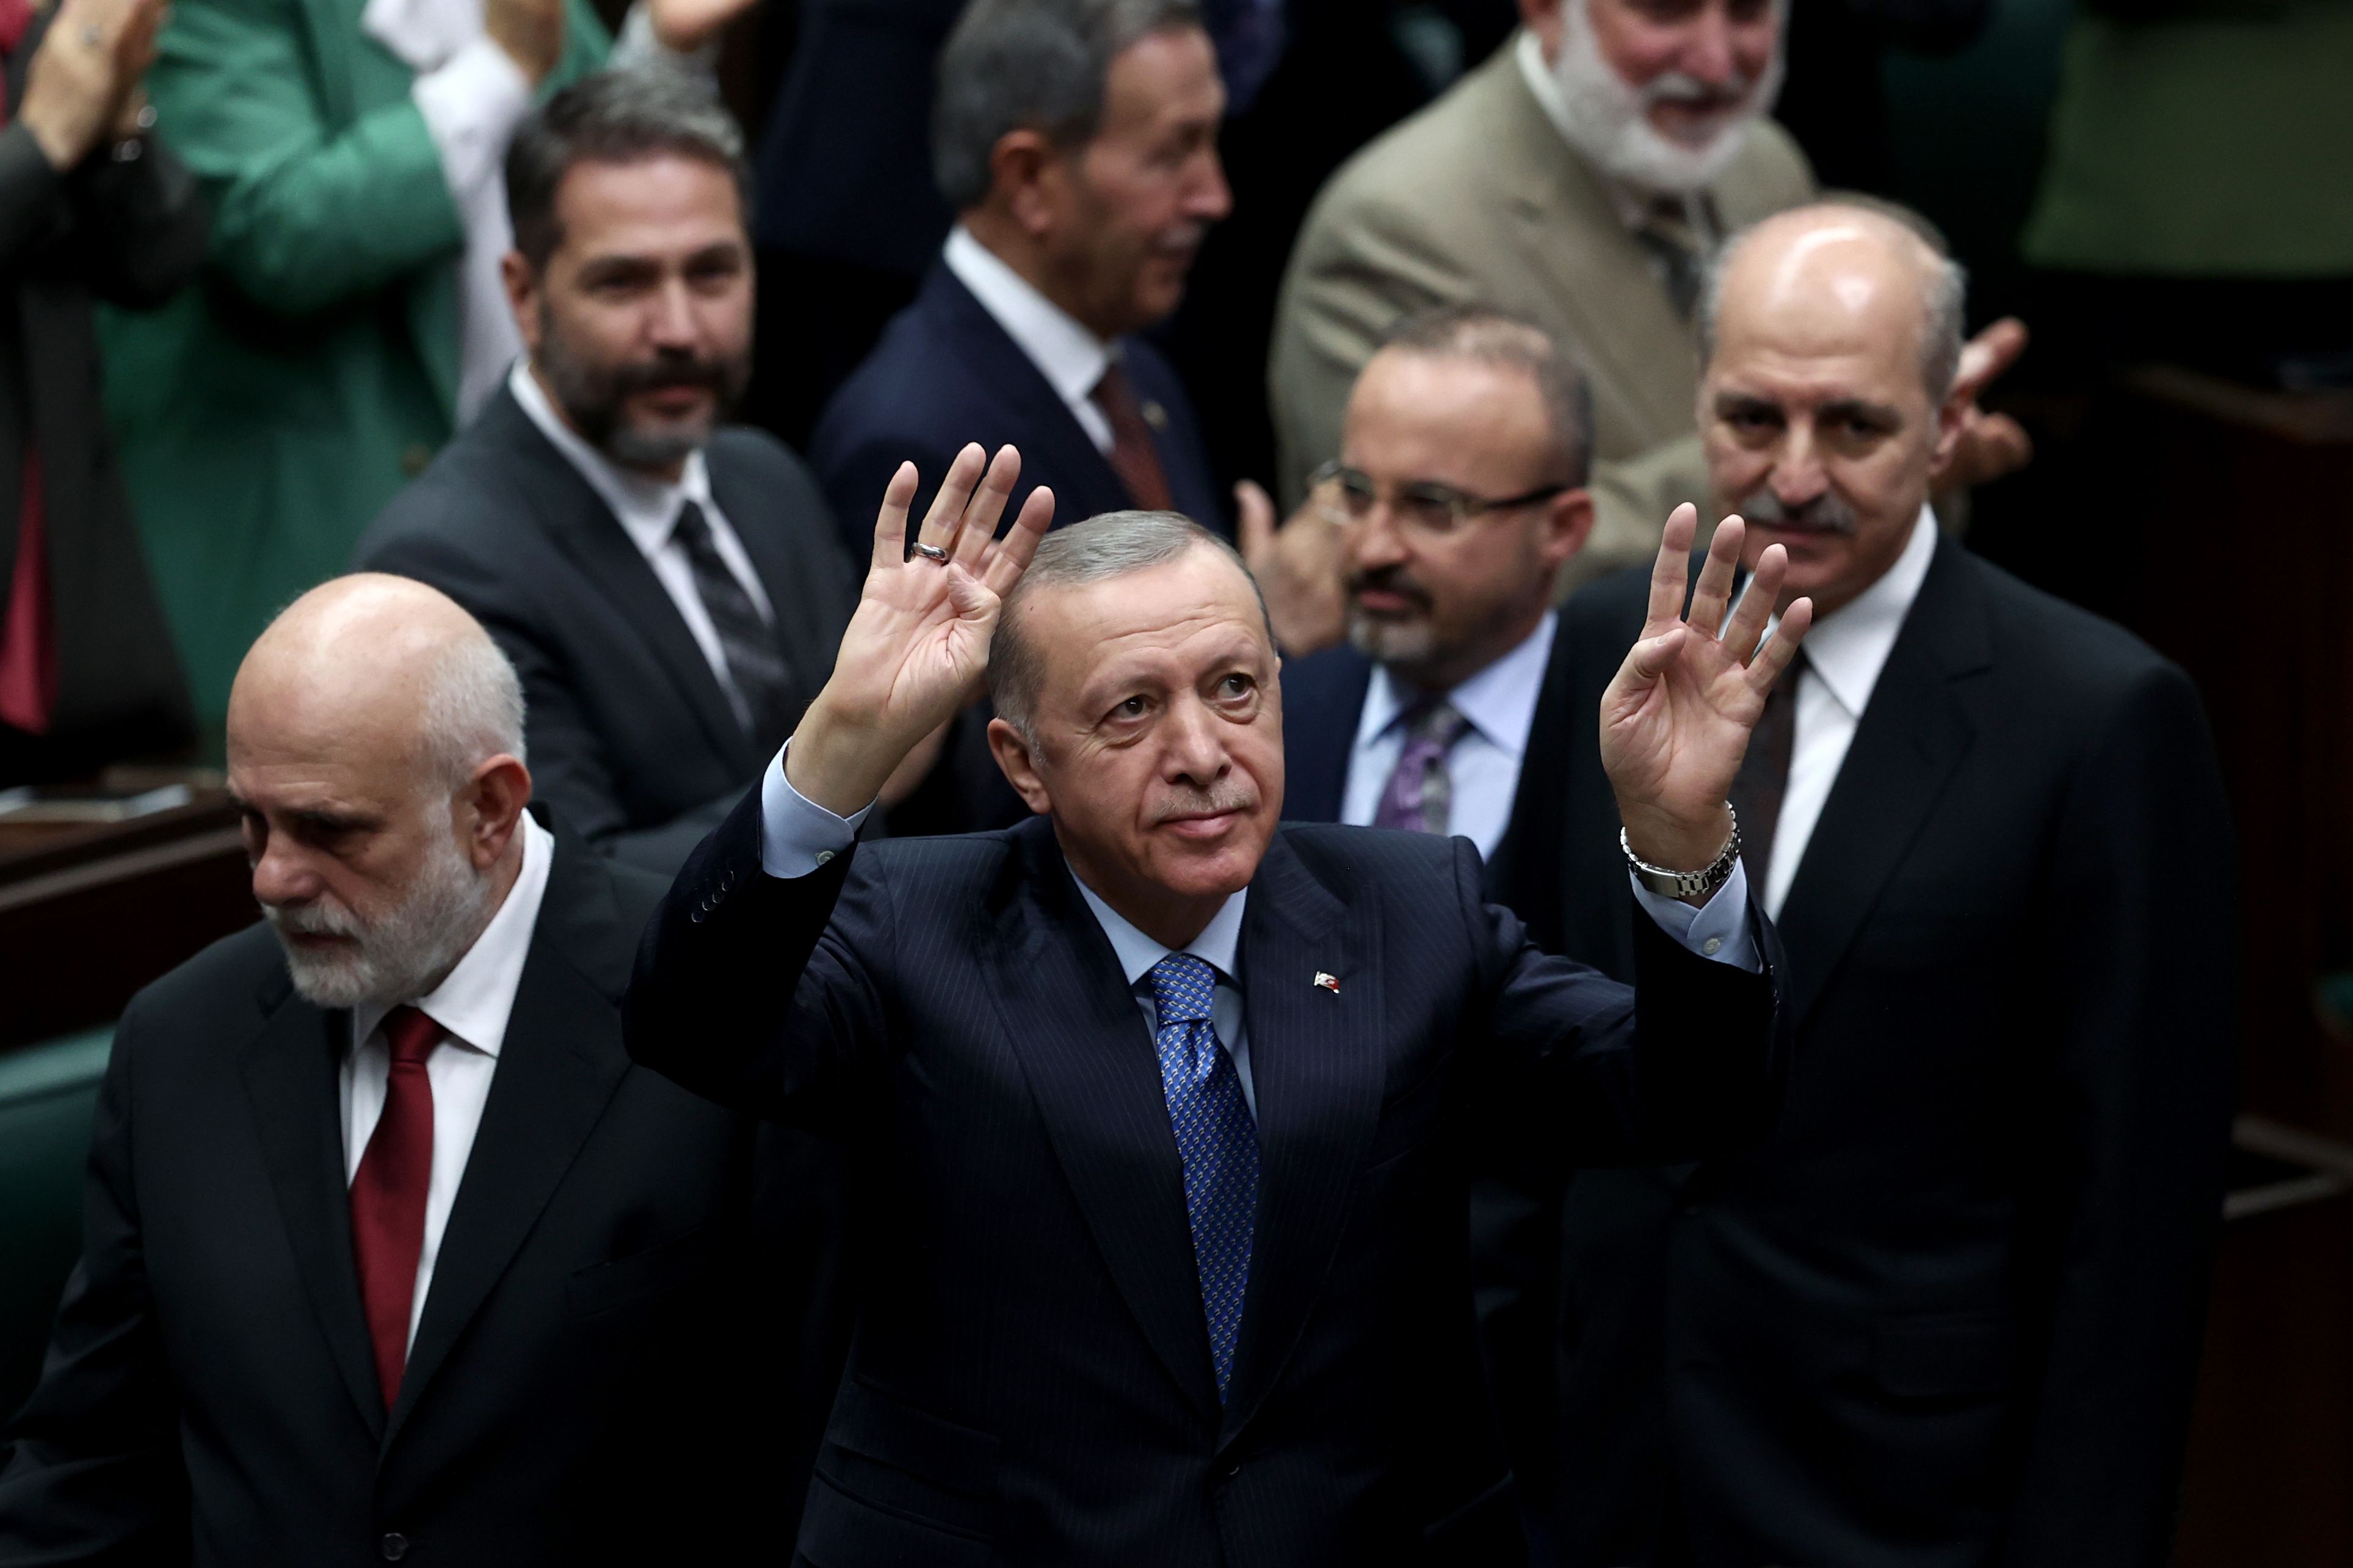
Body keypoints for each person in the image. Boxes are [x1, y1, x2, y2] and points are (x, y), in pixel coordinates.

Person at [622, 438, 1811, 1562]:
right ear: (1024, 763)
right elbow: (690, 1025)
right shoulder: (913, 925)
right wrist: (839, 746)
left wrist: (1679, 840)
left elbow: (1693, 1098)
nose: (1199, 752)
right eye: (1131, 710)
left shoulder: (1409, 911)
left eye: (1233, 688)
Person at [1523, 203, 2234, 1564]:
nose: (1793, 475)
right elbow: (1530, 1073)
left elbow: (2131, 1229)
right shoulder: (1605, 646)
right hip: (1605, 1471)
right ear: (1697, 398)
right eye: (1751, 418)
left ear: (1947, 423)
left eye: (1852, 425)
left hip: (1906, 1500)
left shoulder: (2094, 715)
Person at [0, 575, 842, 1561]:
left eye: (328, 828)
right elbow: (93, 1462)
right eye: (252, 821)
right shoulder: (179, 1043)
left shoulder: (724, 1018)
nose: (272, 876)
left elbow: (815, 1445)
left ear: (489, 808)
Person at [95, 0, 752, 736]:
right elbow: (277, 235)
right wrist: (500, 70)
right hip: (308, 569)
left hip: (545, 541)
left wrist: (661, 53)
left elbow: (587, 188)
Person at [357, 69, 864, 877]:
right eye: (622, 283)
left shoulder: (768, 480)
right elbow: (571, 887)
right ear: (524, 295)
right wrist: (847, 772)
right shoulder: (447, 565)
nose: (679, 329)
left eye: (711, 273)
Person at [1269, 0, 1811, 590]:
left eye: (1748, 11)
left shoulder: (1762, 163)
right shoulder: (1395, 229)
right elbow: (1425, 556)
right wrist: (1800, 457)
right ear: (1547, 8)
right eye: (1666, 11)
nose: (1715, 62)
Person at [807, 0, 1231, 567]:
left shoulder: (1141, 376)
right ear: (1029, 179)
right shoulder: (912, 442)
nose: (1214, 198)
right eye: (1171, 154)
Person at [0, 0, 198, 784]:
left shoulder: (29, 29)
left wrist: (117, 117)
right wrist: (39, 145)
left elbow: (158, 259)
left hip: (65, 595)